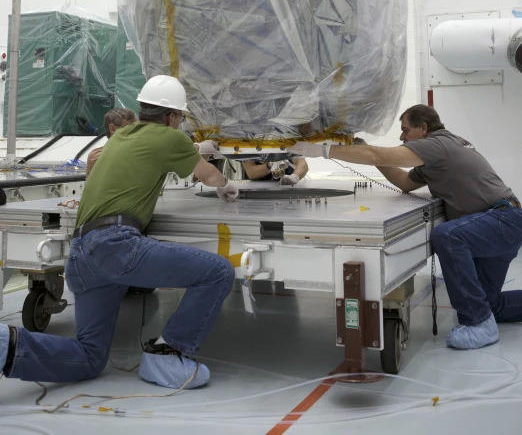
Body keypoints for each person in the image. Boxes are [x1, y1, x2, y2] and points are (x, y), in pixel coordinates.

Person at [0, 75, 238, 390]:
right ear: (171, 117)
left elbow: (160, 147)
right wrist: (227, 185)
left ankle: (4, 346)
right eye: (180, 117)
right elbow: (208, 176)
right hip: (115, 245)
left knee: (89, 357)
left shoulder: (122, 136)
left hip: (82, 254)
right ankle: (166, 354)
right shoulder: (170, 138)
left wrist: (197, 147)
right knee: (218, 272)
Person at [288, 105, 522, 351]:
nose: (401, 137)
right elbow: (404, 182)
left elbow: (380, 155)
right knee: (490, 304)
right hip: (502, 223)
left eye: (405, 130)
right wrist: (362, 147)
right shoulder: (440, 151)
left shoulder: (436, 145)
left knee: (448, 236)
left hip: (501, 220)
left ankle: (477, 323)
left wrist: (322, 150)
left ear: (424, 128)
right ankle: (483, 316)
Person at [86, 107, 137, 178]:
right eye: (130, 129)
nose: (136, 133)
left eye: (137, 129)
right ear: (112, 129)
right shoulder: (96, 157)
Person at [242, 153, 308, 185]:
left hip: (287, 189)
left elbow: (302, 163)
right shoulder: (250, 143)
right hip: (258, 192)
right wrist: (269, 165)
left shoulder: (287, 140)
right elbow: (250, 172)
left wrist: (295, 177)